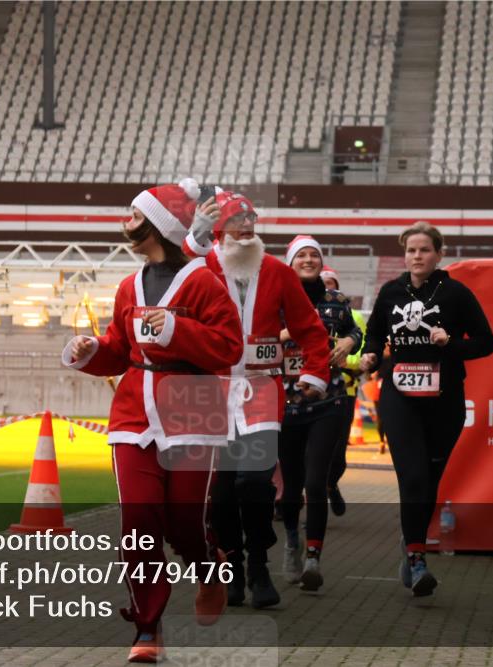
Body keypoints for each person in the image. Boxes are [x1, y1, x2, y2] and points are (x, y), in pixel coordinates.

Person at [62, 179, 243, 663]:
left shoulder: (204, 281)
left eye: (135, 213)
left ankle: (209, 568)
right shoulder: (128, 286)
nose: (127, 221)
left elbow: (229, 348)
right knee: (139, 524)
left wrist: (177, 330)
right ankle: (147, 627)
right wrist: (92, 351)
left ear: (159, 224)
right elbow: (120, 350)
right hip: (134, 415)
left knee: (185, 523)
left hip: (193, 412)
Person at [189, 191, 331, 609]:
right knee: (221, 490)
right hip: (211, 390)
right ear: (219, 230)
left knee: (254, 479)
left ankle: (258, 563)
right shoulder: (201, 266)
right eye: (237, 220)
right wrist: (194, 235)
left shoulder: (275, 270)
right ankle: (231, 564)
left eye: (250, 218)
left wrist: (315, 374)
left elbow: (309, 328)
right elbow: (170, 268)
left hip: (262, 389)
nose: (247, 226)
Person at [359, 221, 493, 597]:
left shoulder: (455, 294)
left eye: (423, 250)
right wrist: (371, 352)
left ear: (438, 254)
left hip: (445, 400)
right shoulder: (390, 292)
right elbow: (374, 332)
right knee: (415, 475)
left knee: (429, 480)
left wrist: (449, 342)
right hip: (399, 395)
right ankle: (418, 559)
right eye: (410, 250)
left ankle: (411, 538)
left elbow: (487, 342)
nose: (416, 256)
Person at [279, 236, 363, 591]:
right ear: (290, 262)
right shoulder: (275, 299)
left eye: (315, 254)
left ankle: (314, 556)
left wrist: (349, 341)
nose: (309, 259)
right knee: (290, 488)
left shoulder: (337, 301)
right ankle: (292, 542)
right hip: (285, 403)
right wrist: (286, 332)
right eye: (302, 255)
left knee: (316, 481)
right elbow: (259, 337)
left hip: (329, 401)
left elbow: (356, 331)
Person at [319, 266, 368, 516]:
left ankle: (330, 483)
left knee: (337, 454)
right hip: (310, 392)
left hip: (344, 392)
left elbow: (359, 355)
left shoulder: (354, 315)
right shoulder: (306, 310)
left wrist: (341, 361)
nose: (328, 288)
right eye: (323, 283)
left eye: (332, 283)